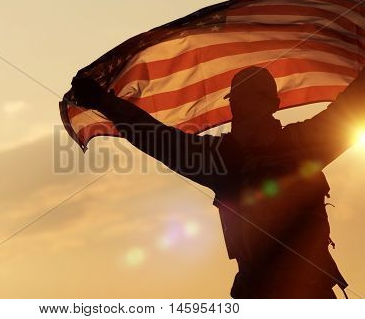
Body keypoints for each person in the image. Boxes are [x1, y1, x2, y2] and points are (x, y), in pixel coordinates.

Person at [70, 66, 365, 298]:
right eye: (241, 101)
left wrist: (103, 101)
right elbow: (156, 137)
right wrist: (102, 101)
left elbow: (354, 107)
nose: (244, 109)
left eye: (249, 100)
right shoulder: (226, 157)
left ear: (272, 104)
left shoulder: (292, 147)